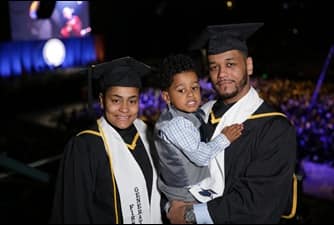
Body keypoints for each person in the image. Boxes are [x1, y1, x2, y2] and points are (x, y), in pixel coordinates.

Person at [167, 23, 297, 224]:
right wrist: (170, 204)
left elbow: (256, 205)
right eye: (214, 67)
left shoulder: (274, 128)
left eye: (230, 64)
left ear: (249, 65)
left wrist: (188, 215)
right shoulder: (199, 116)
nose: (221, 74)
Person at [49, 57, 162, 224]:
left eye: (132, 101)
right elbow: (75, 212)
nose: (124, 108)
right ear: (102, 101)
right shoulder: (85, 146)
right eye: (115, 100)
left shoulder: (149, 134)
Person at [154, 54, 244, 204]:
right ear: (167, 97)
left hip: (192, 188)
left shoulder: (188, 113)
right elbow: (201, 157)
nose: (191, 94)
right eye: (181, 90)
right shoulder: (176, 124)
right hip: (186, 195)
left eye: (194, 87)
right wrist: (225, 138)